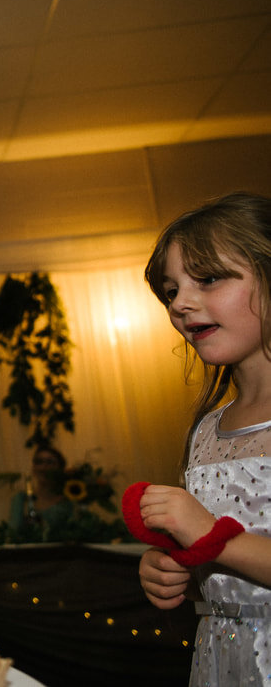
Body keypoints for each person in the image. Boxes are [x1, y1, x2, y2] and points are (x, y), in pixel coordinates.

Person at [137, 192, 271, 684]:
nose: (180, 303)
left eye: (208, 278)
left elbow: (218, 541)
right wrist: (178, 573)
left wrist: (210, 539)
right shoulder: (206, 430)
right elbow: (232, 581)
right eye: (171, 290)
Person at [7, 445, 72, 539]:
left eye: (50, 462)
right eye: (39, 462)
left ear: (60, 468)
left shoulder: (69, 499)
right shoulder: (21, 498)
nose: (43, 467)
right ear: (33, 467)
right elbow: (13, 533)